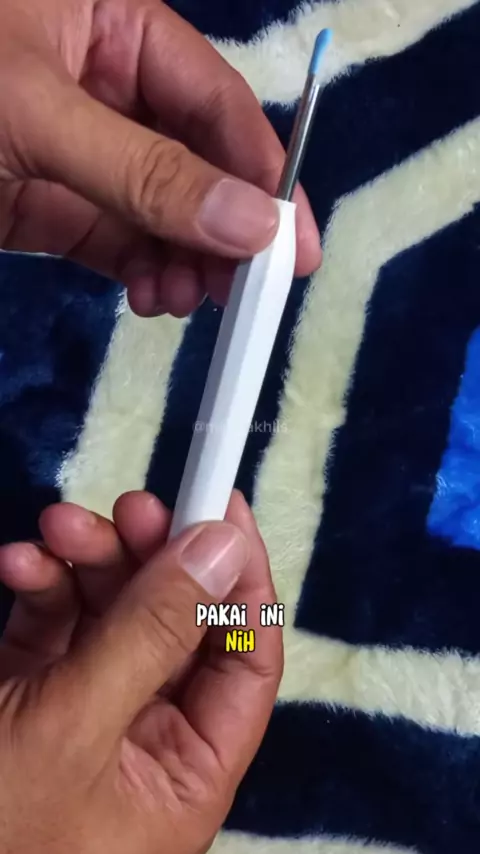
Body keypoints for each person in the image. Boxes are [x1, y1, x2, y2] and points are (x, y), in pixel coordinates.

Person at [0, 0, 322, 851]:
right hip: (180, 667)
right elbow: (234, 632)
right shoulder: (205, 605)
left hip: (154, 695)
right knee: (249, 623)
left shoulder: (192, 606)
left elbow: (214, 625)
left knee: (242, 618)